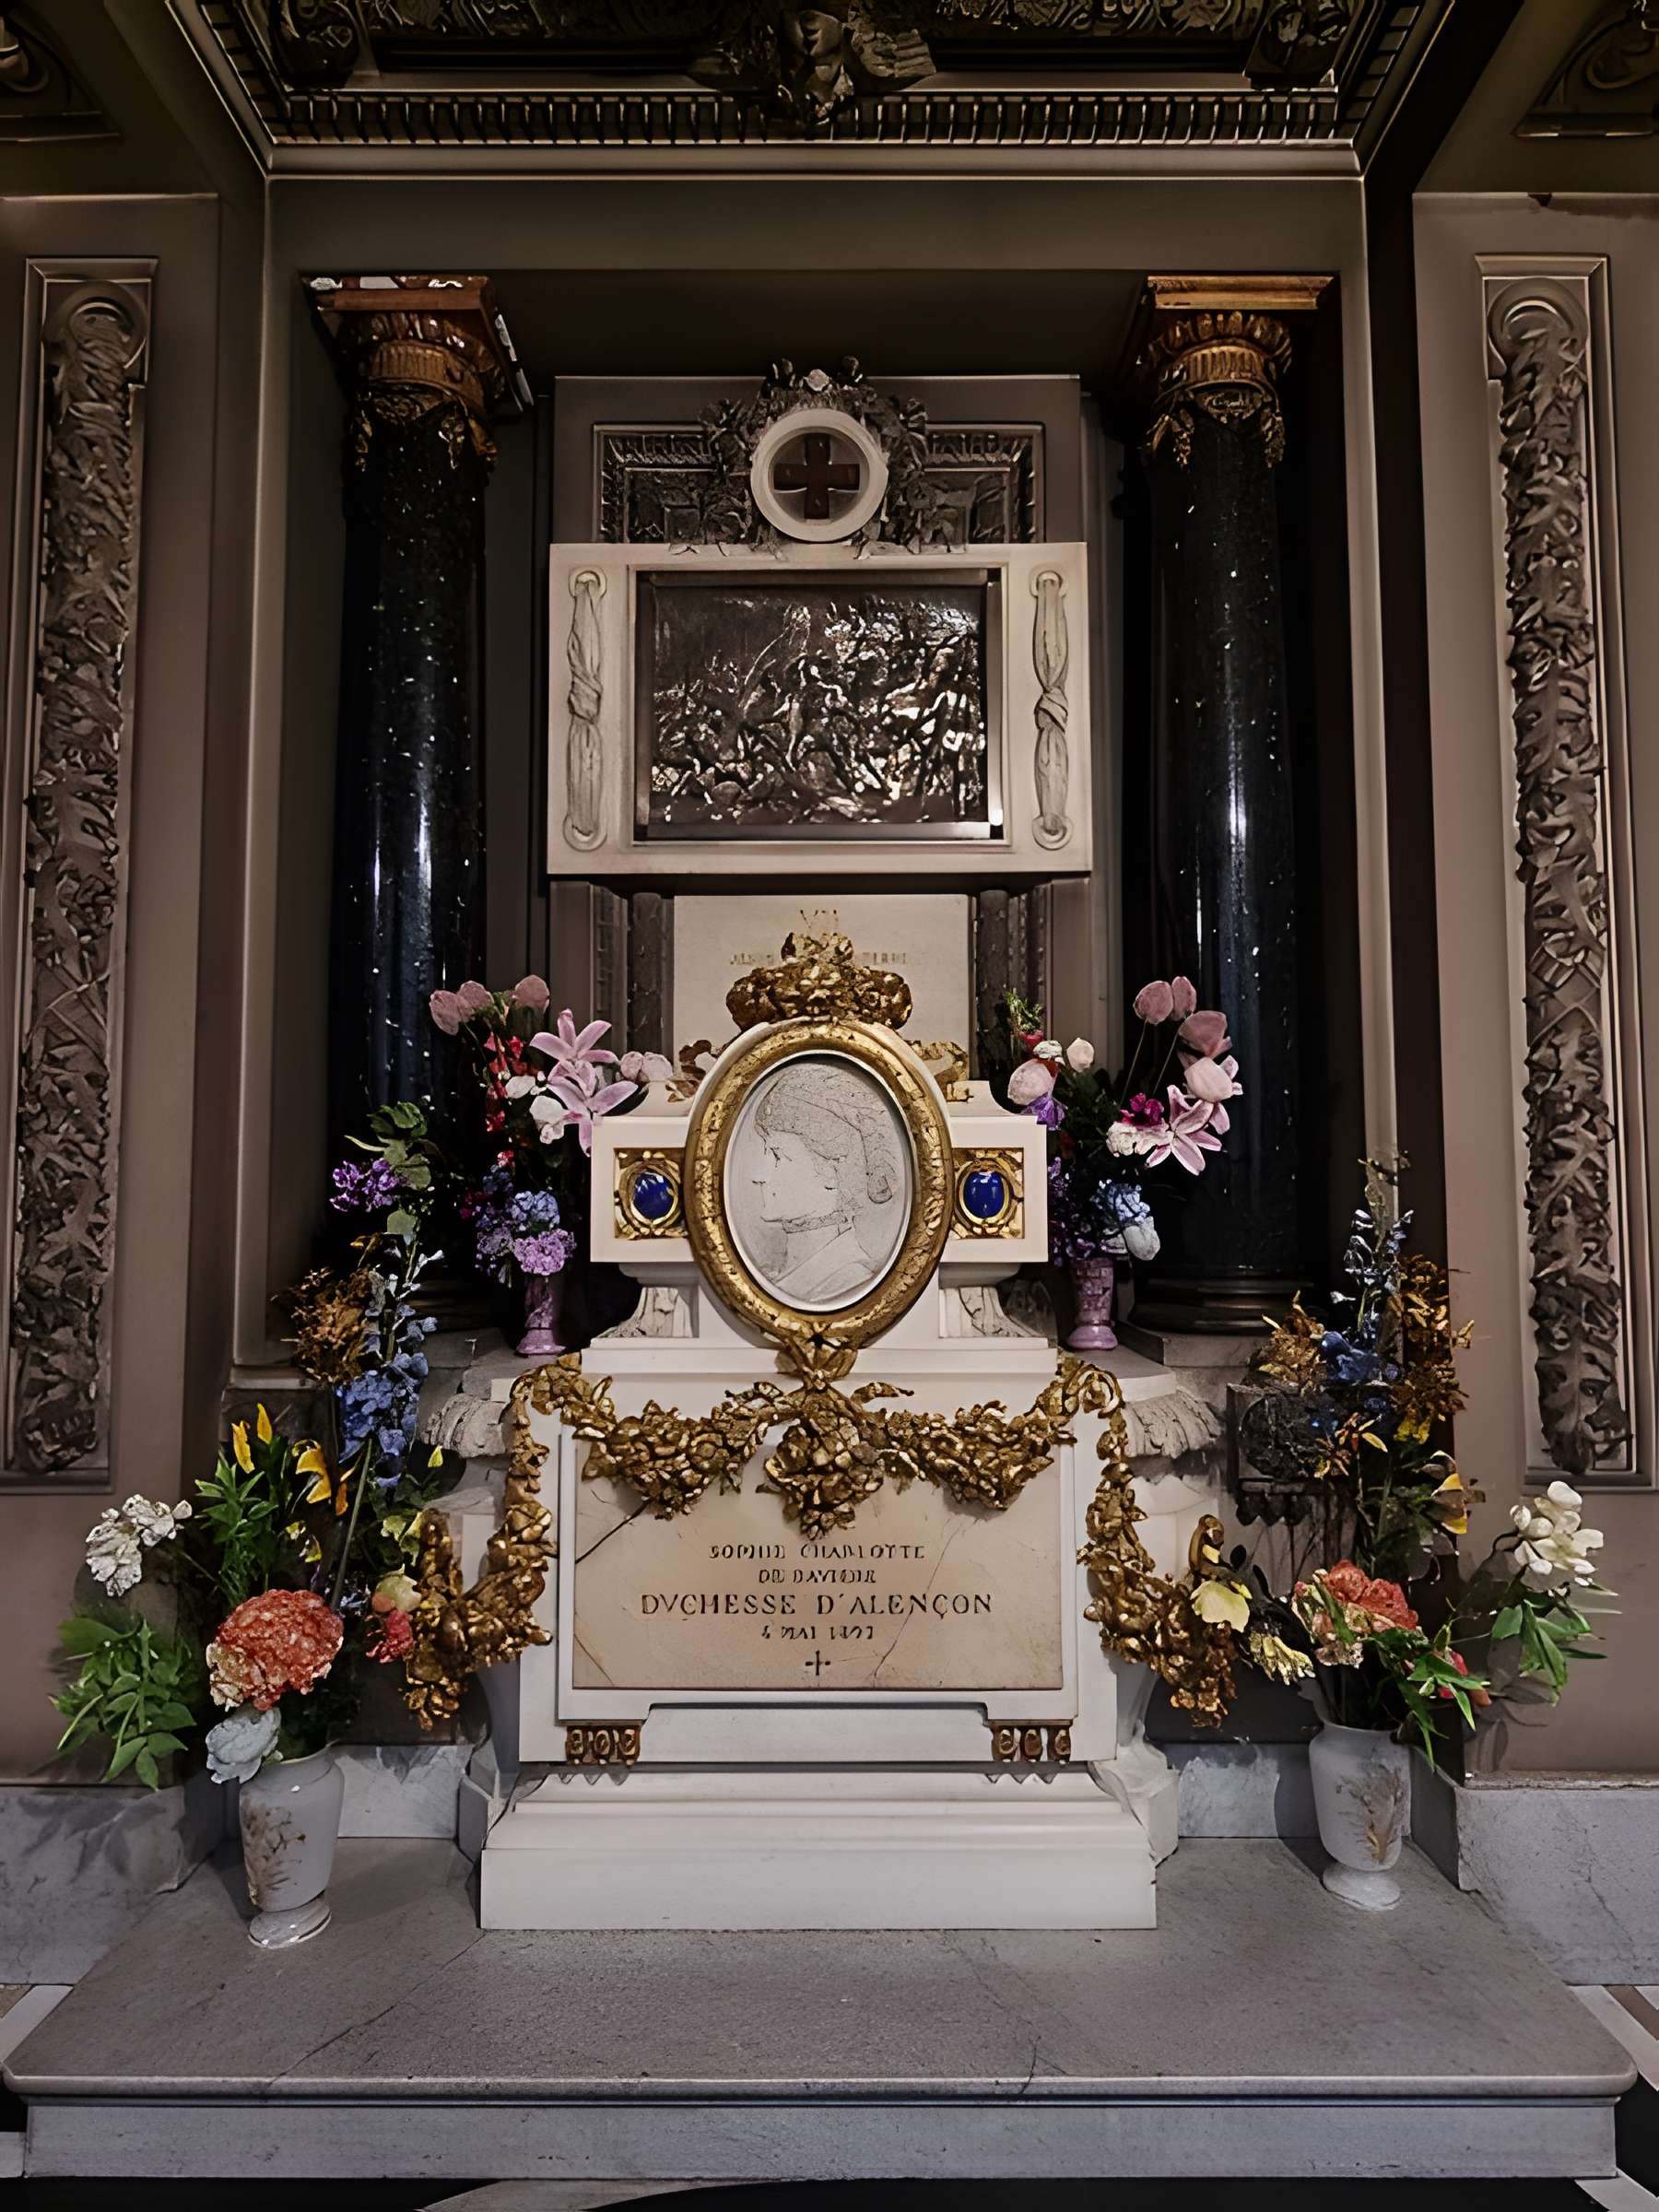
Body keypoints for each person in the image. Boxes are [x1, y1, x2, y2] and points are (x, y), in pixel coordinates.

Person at [748, 1065, 902, 1305]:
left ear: (832, 1172)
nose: (759, 1175)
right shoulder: (776, 1276)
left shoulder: (848, 1281)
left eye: (778, 1156)